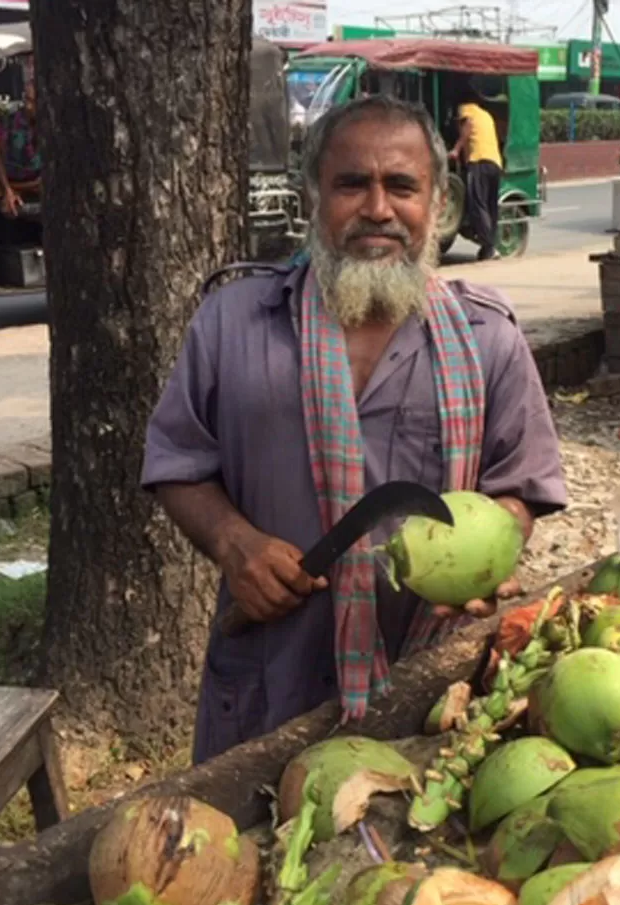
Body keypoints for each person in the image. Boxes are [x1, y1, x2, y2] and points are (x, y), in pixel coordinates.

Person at [141, 95, 568, 763]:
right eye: (351, 185)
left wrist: (491, 554)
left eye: (401, 186)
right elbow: (178, 462)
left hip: (429, 689)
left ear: (438, 203)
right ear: (313, 196)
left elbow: (519, 488)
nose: (377, 209)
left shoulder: (488, 338)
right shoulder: (231, 323)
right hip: (268, 681)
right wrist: (233, 543)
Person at [451, 92, 504, 261]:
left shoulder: (466, 109)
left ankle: (489, 247)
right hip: (495, 163)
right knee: (490, 206)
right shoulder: (486, 115)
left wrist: (456, 150)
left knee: (478, 204)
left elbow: (467, 129)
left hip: (479, 161)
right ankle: (490, 246)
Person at [0, 73, 41, 218]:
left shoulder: (53, 125)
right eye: (28, 100)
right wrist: (8, 190)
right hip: (8, 183)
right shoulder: (8, 121)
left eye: (34, 102)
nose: (29, 107)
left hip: (40, 184)